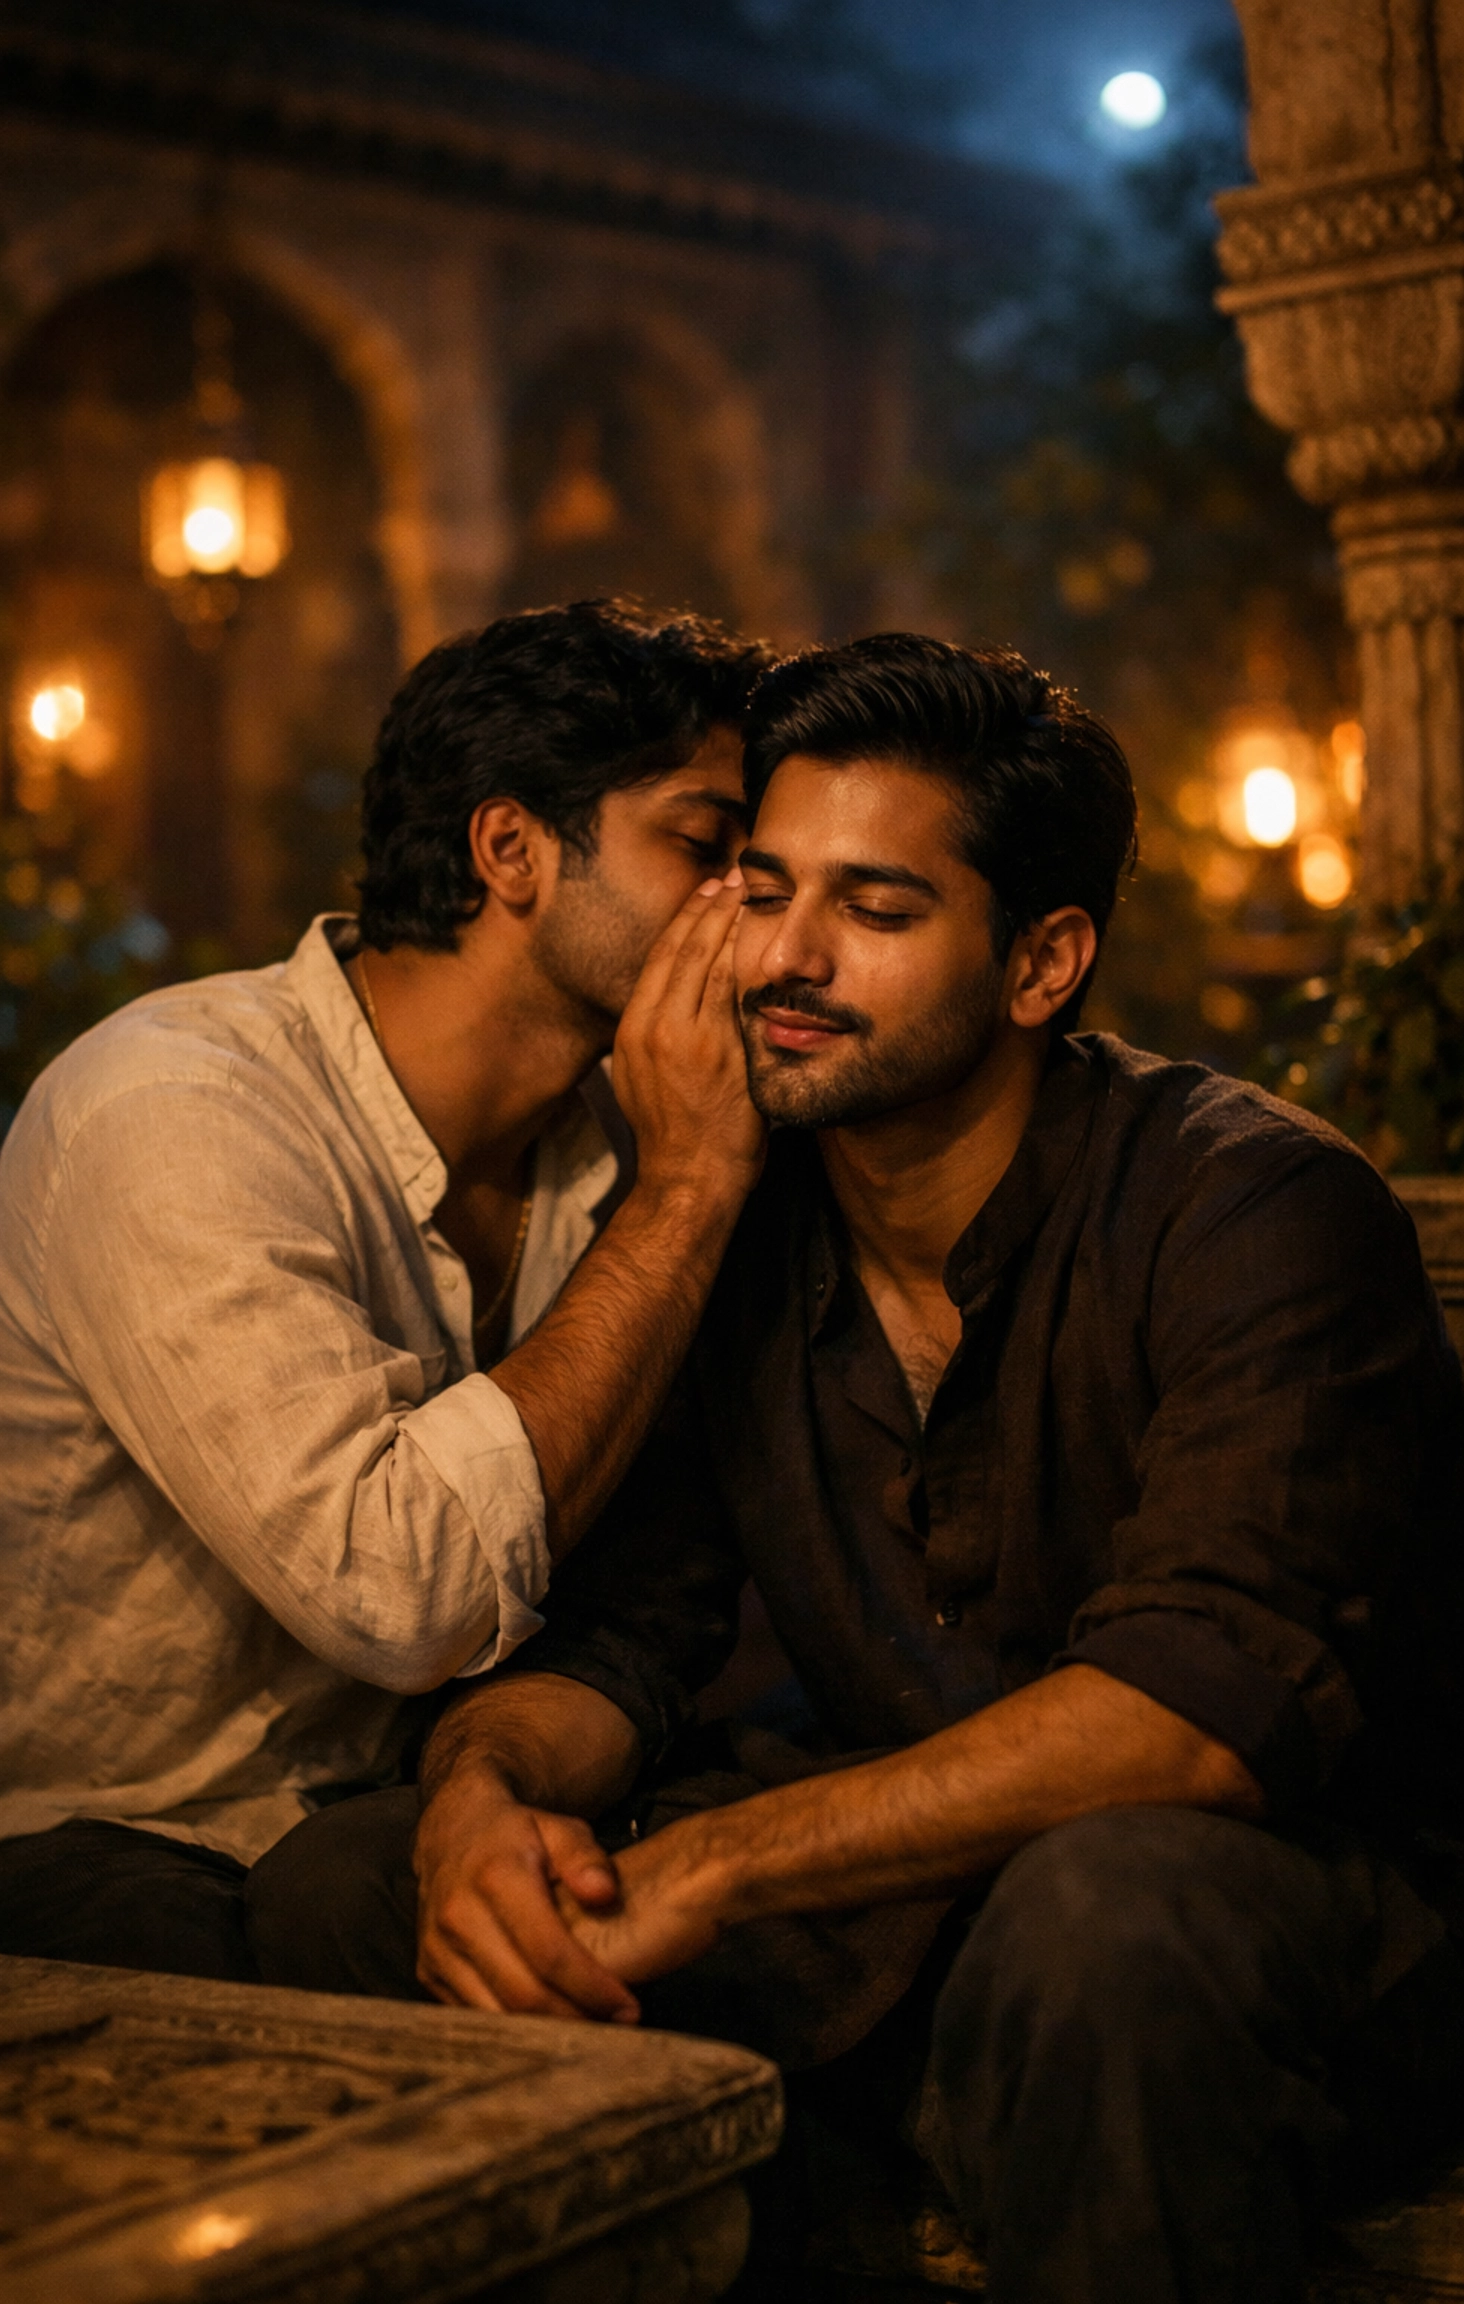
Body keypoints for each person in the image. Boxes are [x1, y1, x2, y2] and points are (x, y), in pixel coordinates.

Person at [255, 635, 1464, 2303]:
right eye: (762, 887)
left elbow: (1195, 1713)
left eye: (878, 913)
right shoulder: (736, 1217)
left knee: (1105, 1920)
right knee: (358, 1880)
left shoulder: (1249, 1209)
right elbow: (621, 1639)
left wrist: (714, 1866)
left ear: (1043, 964)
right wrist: (479, 1806)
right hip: (895, 1921)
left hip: (1265, 1927)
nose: (788, 958)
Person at [0, 597, 770, 1984]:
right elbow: (407, 1591)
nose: (751, 904)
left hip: (389, 1809)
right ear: (512, 850)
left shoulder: (618, 1142)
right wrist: (688, 1197)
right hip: (88, 1837)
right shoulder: (178, 1106)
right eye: (704, 845)